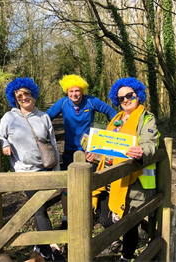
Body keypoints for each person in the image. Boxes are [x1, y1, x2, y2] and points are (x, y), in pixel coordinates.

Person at [86, 77, 159, 262]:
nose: (125, 100)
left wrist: (142, 151)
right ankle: (118, 240)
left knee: (129, 224)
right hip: (109, 179)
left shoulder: (147, 118)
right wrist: (96, 156)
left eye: (129, 95)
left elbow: (150, 144)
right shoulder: (116, 119)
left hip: (133, 180)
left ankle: (126, 258)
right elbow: (108, 149)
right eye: (121, 98)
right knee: (105, 219)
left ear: (138, 95)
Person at [0, 77, 66, 262]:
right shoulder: (9, 117)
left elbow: (53, 145)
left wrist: (57, 172)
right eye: (19, 96)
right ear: (15, 99)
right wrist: (4, 144)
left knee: (39, 208)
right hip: (24, 172)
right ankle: (52, 248)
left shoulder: (44, 117)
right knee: (39, 209)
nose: (24, 98)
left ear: (32, 94)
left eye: (27, 93)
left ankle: (40, 246)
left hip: (44, 170)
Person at [46, 74, 117, 229]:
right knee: (67, 185)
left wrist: (112, 131)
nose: (74, 94)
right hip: (69, 151)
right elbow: (46, 117)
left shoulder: (91, 101)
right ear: (66, 92)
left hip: (88, 152)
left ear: (82, 90)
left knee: (87, 184)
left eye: (77, 91)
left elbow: (111, 112)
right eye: (71, 91)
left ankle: (87, 214)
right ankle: (67, 218)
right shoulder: (63, 103)